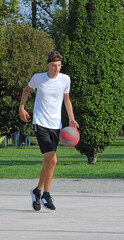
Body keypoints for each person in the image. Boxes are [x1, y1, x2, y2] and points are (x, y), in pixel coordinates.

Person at [19, 50, 79, 211]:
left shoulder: (65, 79)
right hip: (40, 123)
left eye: (59, 65)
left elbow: (67, 100)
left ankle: (36, 191)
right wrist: (22, 107)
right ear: (48, 65)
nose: (56, 68)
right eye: (53, 65)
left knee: (47, 161)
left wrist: (71, 118)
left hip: (56, 125)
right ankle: (46, 194)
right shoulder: (38, 78)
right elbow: (26, 91)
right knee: (53, 160)